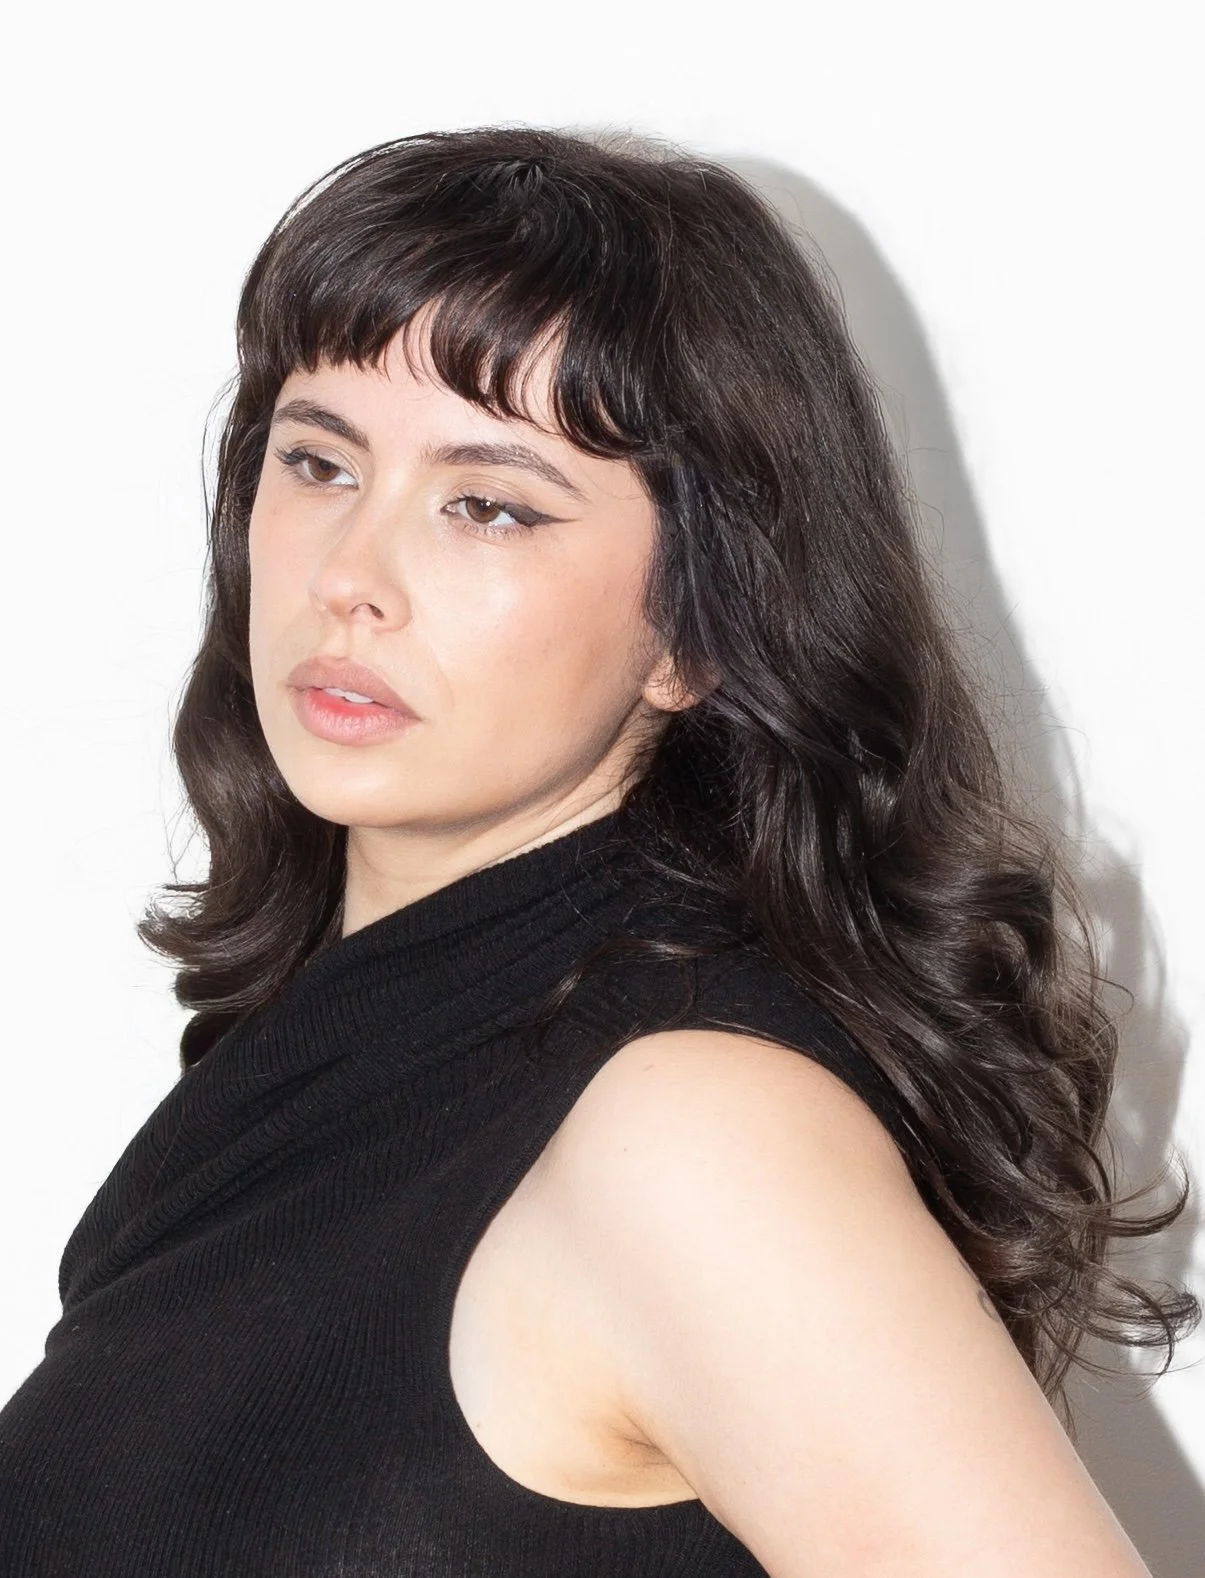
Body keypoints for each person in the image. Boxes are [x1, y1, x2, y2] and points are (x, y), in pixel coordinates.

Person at [0, 125, 1196, 1578]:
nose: (349, 575)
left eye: (487, 504)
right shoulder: (328, 1068)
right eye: (317, 460)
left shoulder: (691, 1131)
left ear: (696, 627)